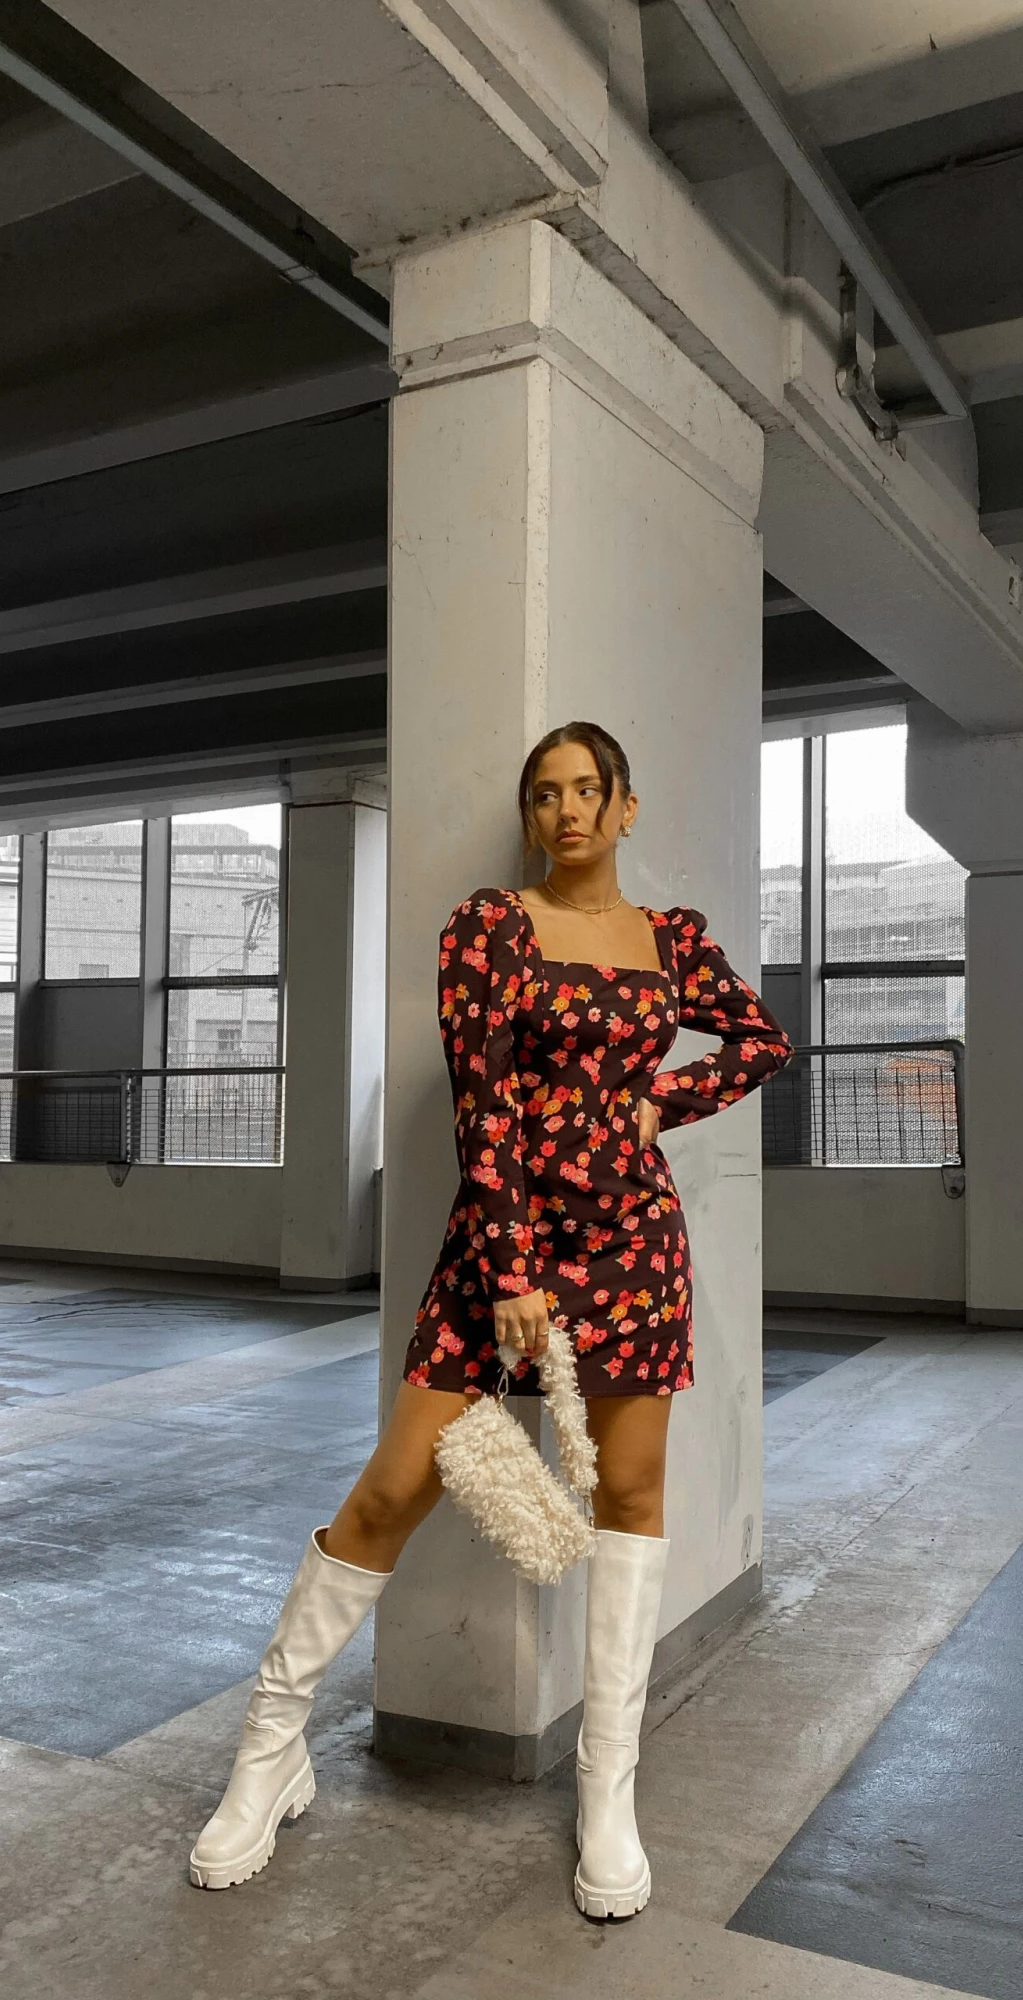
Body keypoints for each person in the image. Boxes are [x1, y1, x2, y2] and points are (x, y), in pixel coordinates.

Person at [190, 720, 794, 1917]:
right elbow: (484, 1102)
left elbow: (764, 1039)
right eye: (545, 793)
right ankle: (271, 1746)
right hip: (500, 1246)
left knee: (629, 1497)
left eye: (587, 789)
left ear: (625, 807)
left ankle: (607, 1789)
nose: (566, 810)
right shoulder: (489, 926)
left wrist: (662, 1100)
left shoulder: (672, 940)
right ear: (532, 815)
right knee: (389, 1490)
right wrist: (513, 1266)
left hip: (632, 1246)